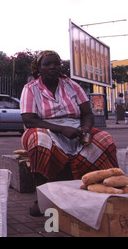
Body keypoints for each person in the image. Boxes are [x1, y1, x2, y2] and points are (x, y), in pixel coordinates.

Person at [20, 50, 119, 216]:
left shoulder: (72, 85)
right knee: (39, 142)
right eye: (47, 64)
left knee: (105, 140)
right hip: (45, 128)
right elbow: (29, 120)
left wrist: (85, 130)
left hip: (75, 128)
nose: (53, 67)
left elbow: (87, 113)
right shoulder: (30, 88)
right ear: (39, 68)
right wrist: (61, 129)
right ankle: (42, 198)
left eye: (56, 63)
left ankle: (107, 190)